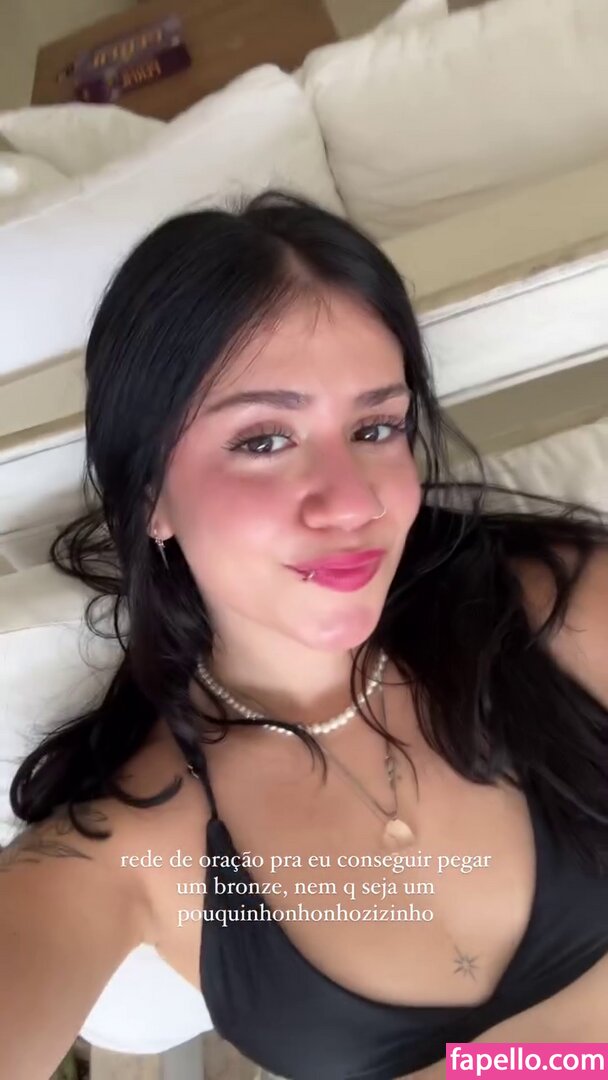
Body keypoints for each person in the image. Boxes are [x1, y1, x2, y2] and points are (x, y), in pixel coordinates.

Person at [1, 190, 608, 1080]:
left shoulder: (565, 613)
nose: (353, 502)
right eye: (263, 440)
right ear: (150, 496)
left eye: (376, 428)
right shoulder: (126, 848)